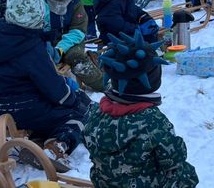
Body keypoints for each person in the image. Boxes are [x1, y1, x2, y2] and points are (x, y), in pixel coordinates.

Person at [0, 0, 91, 173]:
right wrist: (73, 98)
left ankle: (36, 143)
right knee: (78, 114)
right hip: (29, 108)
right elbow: (52, 87)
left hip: (0, 103)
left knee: (53, 113)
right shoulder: (30, 46)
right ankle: (56, 147)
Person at [84, 31, 198, 188]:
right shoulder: (152, 121)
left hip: (104, 182)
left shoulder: (96, 113)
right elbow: (173, 158)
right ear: (152, 81)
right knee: (187, 174)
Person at [40, 0, 102, 91]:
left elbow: (78, 30)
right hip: (46, 42)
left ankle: (102, 82)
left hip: (71, 42)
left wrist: (60, 49)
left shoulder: (74, 3)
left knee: (75, 56)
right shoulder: (40, 3)